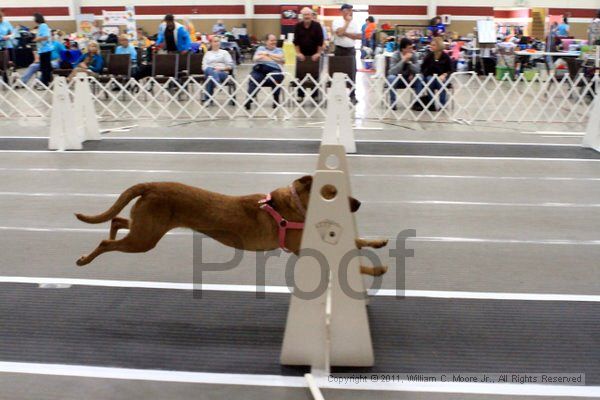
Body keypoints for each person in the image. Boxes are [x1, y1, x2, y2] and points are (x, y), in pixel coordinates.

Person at [332, 3, 362, 103]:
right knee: (338, 73)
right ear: (342, 11)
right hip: (340, 50)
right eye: (347, 10)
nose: (349, 12)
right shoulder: (336, 21)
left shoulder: (355, 22)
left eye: (350, 10)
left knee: (352, 73)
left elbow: (359, 36)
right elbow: (339, 33)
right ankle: (337, 95)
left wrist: (345, 33)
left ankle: (352, 95)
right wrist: (347, 23)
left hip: (351, 50)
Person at [245, 34, 285, 110]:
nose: (274, 42)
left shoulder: (279, 50)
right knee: (254, 79)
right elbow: (255, 59)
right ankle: (249, 99)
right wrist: (274, 58)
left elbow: (282, 60)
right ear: (266, 41)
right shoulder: (260, 48)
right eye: (272, 40)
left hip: (274, 69)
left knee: (277, 77)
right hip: (260, 69)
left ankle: (276, 100)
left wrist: (267, 54)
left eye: (275, 40)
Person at [413, 36, 452, 111]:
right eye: (431, 45)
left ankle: (442, 105)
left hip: (442, 77)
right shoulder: (429, 56)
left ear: (439, 46)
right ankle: (431, 104)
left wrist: (444, 75)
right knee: (429, 80)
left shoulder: (446, 57)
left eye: (433, 45)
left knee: (441, 83)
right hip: (430, 77)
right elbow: (423, 68)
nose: (431, 46)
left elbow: (450, 69)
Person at [386, 38, 420, 110]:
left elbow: (418, 70)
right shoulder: (395, 55)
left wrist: (409, 64)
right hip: (397, 80)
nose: (411, 50)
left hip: (410, 79)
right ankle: (393, 103)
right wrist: (403, 60)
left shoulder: (414, 55)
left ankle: (417, 103)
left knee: (420, 78)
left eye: (412, 48)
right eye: (409, 48)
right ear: (403, 49)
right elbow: (391, 71)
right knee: (391, 78)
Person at [202, 35, 234, 104]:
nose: (216, 43)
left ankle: (207, 100)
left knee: (210, 76)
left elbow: (230, 66)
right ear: (211, 43)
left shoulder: (225, 53)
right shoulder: (207, 54)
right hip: (209, 72)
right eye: (215, 41)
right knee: (210, 71)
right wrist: (213, 70)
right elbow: (204, 66)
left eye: (218, 41)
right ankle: (217, 83)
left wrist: (221, 68)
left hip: (222, 73)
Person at [33, 13, 53, 87]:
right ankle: (47, 81)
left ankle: (45, 83)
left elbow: (45, 36)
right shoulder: (40, 26)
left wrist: (37, 39)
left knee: (45, 68)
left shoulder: (43, 26)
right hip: (42, 50)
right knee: (45, 67)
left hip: (45, 50)